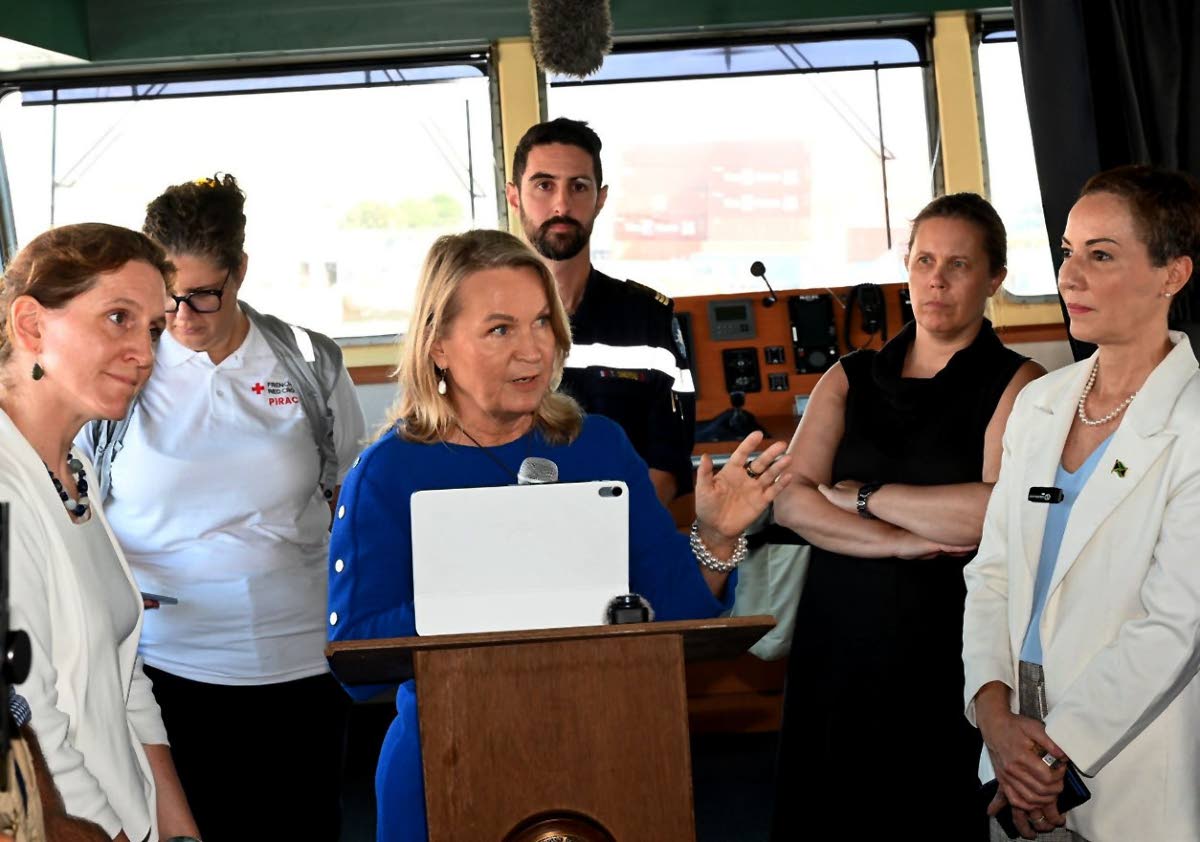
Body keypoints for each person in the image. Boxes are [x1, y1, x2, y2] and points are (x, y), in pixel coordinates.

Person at [328, 228, 791, 842]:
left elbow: (676, 613)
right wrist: (493, 597)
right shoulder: (388, 473)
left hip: (610, 754)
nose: (532, 350)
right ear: (438, 346)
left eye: (541, 322)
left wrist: (715, 533)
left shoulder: (597, 446)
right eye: (500, 329)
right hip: (448, 766)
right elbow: (356, 659)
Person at [77, 176, 366, 841]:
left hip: (300, 659)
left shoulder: (308, 360)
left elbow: (349, 494)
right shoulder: (123, 368)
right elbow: (74, 499)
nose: (183, 317)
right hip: (167, 664)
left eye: (205, 294)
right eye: (169, 296)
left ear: (240, 271)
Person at [771, 194, 1044, 839]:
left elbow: (987, 513)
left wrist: (863, 496)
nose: (937, 280)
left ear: (994, 280)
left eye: (959, 264)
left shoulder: (1019, 381)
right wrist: (894, 542)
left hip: (943, 637)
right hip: (838, 628)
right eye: (924, 260)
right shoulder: (849, 376)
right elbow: (791, 498)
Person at [963, 165, 1200, 842]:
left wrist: (1048, 756)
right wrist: (995, 718)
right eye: (1068, 251)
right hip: (1013, 747)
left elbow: (1173, 628)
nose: (1071, 276)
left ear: (1171, 275)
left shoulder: (1193, 425)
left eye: (1101, 255)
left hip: (1126, 762)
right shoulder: (1039, 404)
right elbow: (992, 574)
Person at [0, 223, 199, 842]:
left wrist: (177, 828)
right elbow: (29, 723)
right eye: (118, 317)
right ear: (31, 325)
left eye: (154, 329)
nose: (144, 352)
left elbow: (122, 677)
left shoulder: (76, 468)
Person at [506, 117, 695, 506]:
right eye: (544, 185)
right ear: (513, 196)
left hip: (622, 536)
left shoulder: (648, 318)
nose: (561, 204)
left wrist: (607, 534)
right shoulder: (477, 320)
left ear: (601, 198)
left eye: (579, 186)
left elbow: (668, 462)